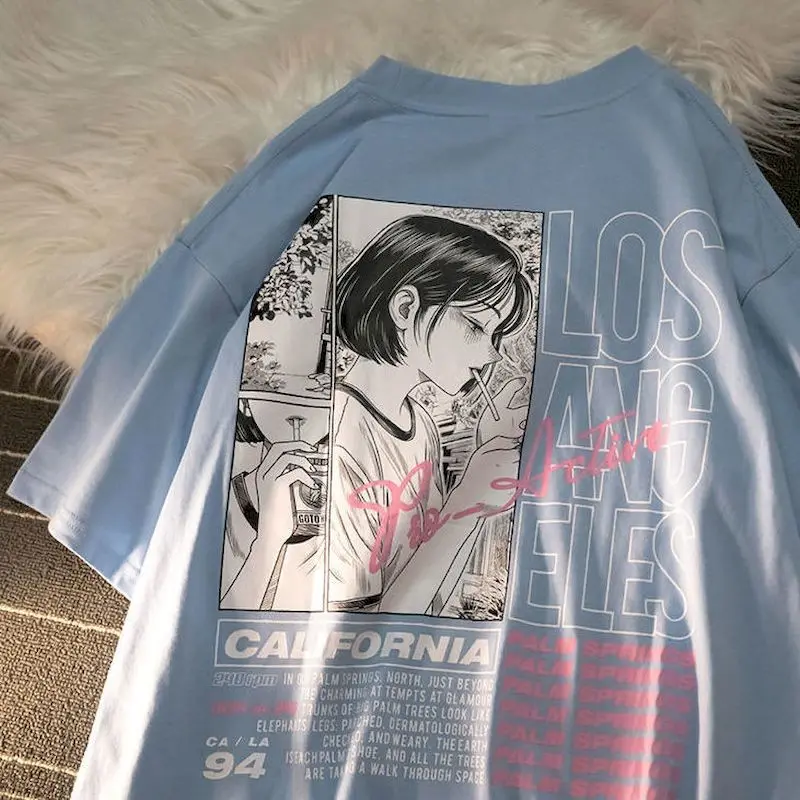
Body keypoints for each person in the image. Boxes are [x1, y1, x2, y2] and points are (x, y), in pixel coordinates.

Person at [327, 214, 534, 614]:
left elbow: (431, 599)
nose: (491, 354)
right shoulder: (341, 435)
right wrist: (469, 500)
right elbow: (364, 632)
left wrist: (483, 466)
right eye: (477, 326)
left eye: (496, 336)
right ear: (405, 308)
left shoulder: (421, 427)